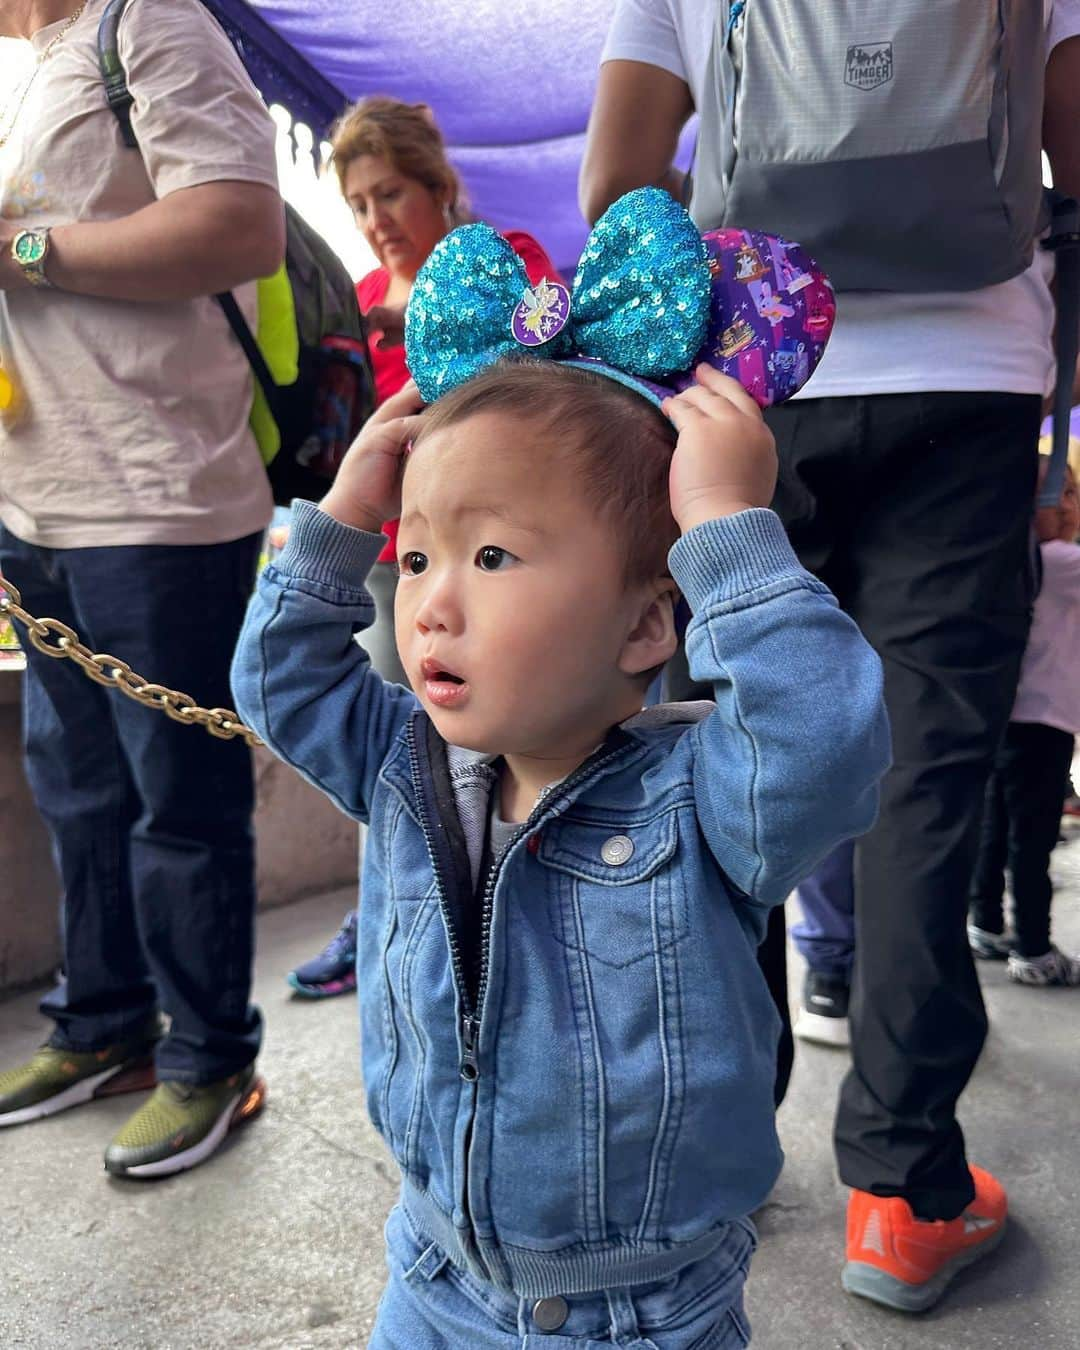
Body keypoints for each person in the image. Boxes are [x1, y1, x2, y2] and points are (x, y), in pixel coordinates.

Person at [232, 194, 889, 1348]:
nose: (431, 601)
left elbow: (826, 742)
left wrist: (726, 528)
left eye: (491, 556)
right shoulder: (405, 762)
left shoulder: (706, 798)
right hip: (431, 1266)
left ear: (647, 625)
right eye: (422, 553)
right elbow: (278, 681)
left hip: (639, 1311)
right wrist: (348, 509)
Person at [580, 0, 1080, 1314]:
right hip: (972, 379)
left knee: (725, 762)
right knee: (927, 778)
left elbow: (616, 184)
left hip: (747, 387)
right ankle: (904, 1194)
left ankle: (714, 1147)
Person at [0, 0, 284, 1177]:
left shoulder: (149, 22)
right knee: (73, 784)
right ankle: (103, 1023)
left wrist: (23, 246)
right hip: (34, 495)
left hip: (159, 491)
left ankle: (211, 1057)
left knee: (181, 796)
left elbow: (242, 226)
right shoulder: (21, 65)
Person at [287, 94, 562, 998]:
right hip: (383, 559)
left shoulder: (511, 264)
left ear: (442, 187)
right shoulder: (361, 300)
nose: (375, 221)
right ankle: (389, 917)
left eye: (392, 193)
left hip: (489, 554)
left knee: (502, 733)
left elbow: (544, 395)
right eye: (359, 204)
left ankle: (503, 908)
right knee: (393, 746)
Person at [968, 462, 1080, 983]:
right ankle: (1033, 948)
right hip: (1045, 722)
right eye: (1061, 491)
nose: (1070, 504)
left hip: (1001, 717)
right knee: (1032, 841)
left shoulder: (1006, 563)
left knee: (996, 828)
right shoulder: (1062, 562)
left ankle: (985, 923)